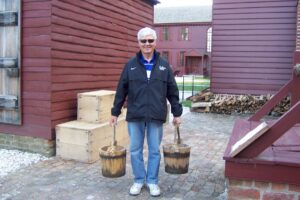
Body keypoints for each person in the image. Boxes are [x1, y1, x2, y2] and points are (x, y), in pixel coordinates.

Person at [110, 27, 182, 197]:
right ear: (139, 43)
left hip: (156, 115)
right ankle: (138, 180)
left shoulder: (164, 66)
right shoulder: (130, 65)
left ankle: (152, 181)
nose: (147, 44)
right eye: (143, 41)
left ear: (155, 42)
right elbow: (122, 89)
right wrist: (115, 111)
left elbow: (173, 91)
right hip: (135, 115)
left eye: (150, 40)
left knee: (154, 150)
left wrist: (177, 113)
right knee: (135, 149)